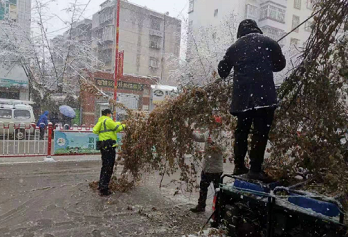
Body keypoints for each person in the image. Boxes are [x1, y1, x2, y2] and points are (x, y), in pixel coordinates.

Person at [218, 19, 286, 181]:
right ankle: (255, 169)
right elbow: (280, 65)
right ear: (256, 28)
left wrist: (230, 62)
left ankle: (239, 165)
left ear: (240, 32)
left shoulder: (234, 48)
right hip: (264, 97)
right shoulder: (270, 43)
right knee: (260, 132)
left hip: (243, 100)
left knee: (241, 131)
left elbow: (222, 71)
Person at [190, 116, 230, 213]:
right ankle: (201, 206)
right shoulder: (208, 132)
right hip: (206, 167)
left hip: (216, 169)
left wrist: (213, 143)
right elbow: (199, 138)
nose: (210, 125)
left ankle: (219, 209)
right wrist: (191, 132)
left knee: (218, 190)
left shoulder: (222, 135)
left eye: (212, 123)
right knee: (203, 188)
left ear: (217, 124)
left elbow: (224, 149)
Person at [93, 109, 126, 196]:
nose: (111, 115)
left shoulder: (101, 121)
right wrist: (125, 126)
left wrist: (120, 123)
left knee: (104, 166)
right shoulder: (107, 120)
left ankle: (101, 185)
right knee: (109, 167)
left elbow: (95, 130)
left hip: (103, 145)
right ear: (108, 114)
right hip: (109, 145)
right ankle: (104, 189)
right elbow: (116, 128)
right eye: (110, 114)